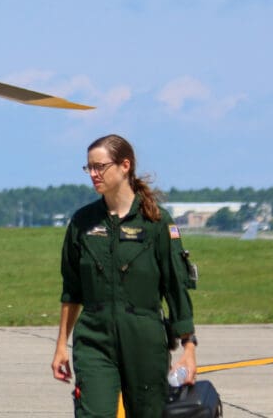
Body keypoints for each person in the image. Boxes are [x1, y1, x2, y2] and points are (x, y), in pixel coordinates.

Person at [50, 134, 198, 417]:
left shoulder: (156, 222)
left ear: (125, 165)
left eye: (100, 166)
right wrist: (60, 346)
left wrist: (189, 346)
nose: (93, 174)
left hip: (144, 340)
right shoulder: (82, 223)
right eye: (89, 168)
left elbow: (175, 288)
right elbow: (71, 291)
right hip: (94, 339)